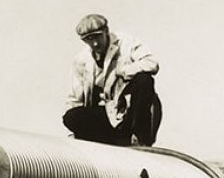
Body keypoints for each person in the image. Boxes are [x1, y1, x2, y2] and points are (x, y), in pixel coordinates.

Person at [62, 13, 161, 147]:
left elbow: (151, 63)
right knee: (71, 117)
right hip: (108, 115)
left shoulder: (127, 42)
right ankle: (114, 141)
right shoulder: (81, 60)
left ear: (106, 31)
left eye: (98, 36)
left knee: (144, 79)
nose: (95, 43)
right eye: (89, 39)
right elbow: (75, 99)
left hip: (130, 111)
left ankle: (139, 138)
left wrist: (123, 71)